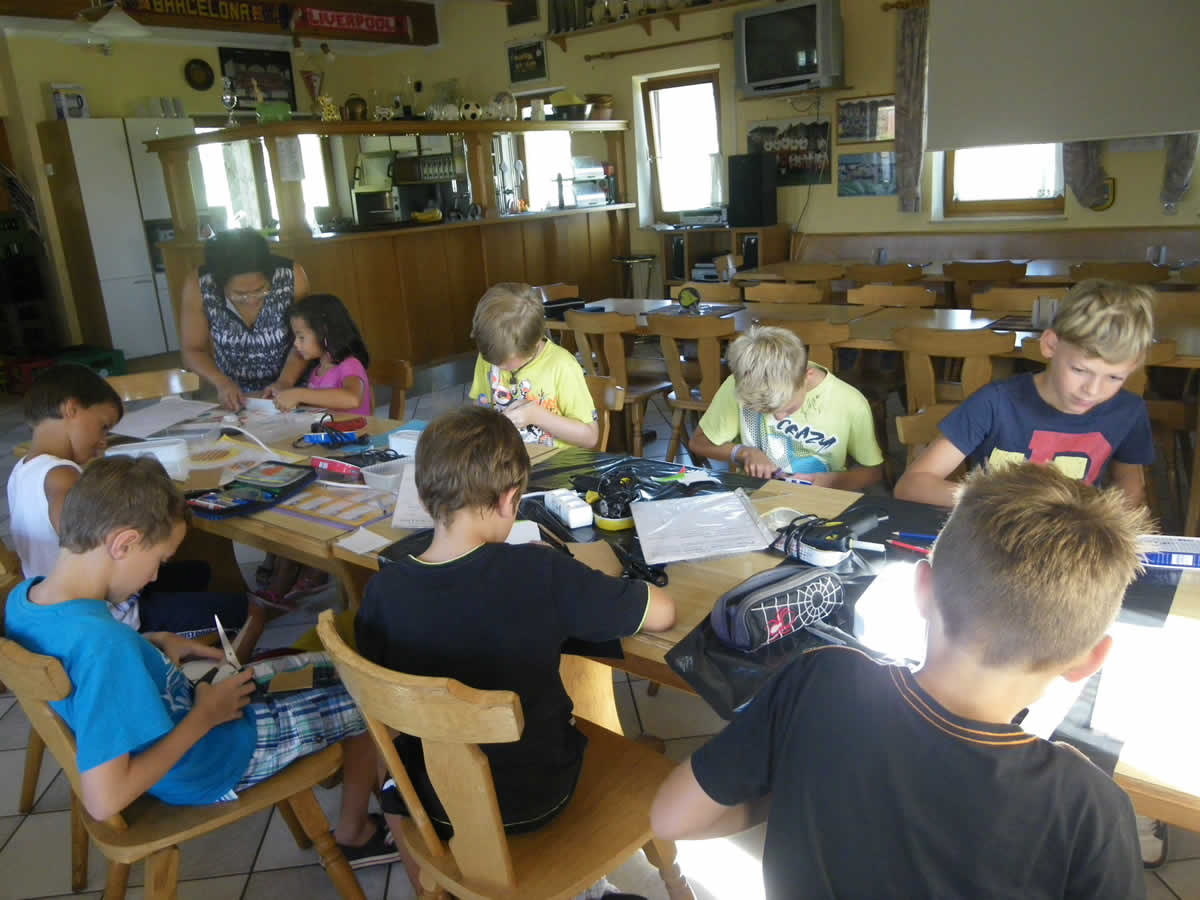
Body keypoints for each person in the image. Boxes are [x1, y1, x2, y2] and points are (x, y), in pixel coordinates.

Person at [650, 463, 1147, 899]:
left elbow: (672, 818)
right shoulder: (1089, 807)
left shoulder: (819, 680)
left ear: (921, 588)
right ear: (1090, 660)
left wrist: (797, 783)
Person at [4, 456, 397, 867]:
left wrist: (151, 643)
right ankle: (355, 831)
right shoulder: (104, 646)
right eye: (159, 561)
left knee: (333, 670)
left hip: (198, 726)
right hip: (213, 758)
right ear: (123, 544)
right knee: (375, 695)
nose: (154, 577)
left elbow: (82, 661)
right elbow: (105, 800)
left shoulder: (27, 599)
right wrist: (204, 717)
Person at [356, 407, 674, 891]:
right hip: (538, 797)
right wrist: (566, 571)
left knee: (403, 771)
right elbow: (662, 613)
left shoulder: (382, 591)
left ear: (422, 496)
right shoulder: (538, 572)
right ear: (510, 500)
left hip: (434, 802)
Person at [6, 364, 264, 652]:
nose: (103, 441)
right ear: (71, 409)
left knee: (199, 571)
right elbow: (81, 533)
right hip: (112, 617)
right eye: (103, 427)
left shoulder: (22, 469)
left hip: (68, 604)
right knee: (251, 612)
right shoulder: (62, 474)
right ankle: (218, 670)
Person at [895, 279, 1154, 508]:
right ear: (1050, 345)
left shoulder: (1128, 411)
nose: (1092, 390)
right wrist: (1000, 501)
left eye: (1114, 378)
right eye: (1079, 370)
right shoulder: (995, 403)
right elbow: (913, 485)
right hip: (995, 526)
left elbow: (1129, 483)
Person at [689, 326, 884, 489]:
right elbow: (699, 442)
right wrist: (745, 453)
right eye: (763, 411)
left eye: (789, 408)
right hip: (754, 495)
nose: (779, 418)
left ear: (806, 376)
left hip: (822, 498)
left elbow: (874, 472)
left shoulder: (849, 402)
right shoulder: (740, 383)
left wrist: (832, 482)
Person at [180, 228, 311, 411]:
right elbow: (193, 350)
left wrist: (285, 381)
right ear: (220, 283)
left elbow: (308, 337)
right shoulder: (200, 284)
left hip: (293, 388)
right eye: (239, 294)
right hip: (237, 396)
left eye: (260, 290)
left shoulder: (291, 275)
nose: (251, 300)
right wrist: (222, 383)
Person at [469, 282, 599, 449]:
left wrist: (538, 417)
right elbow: (480, 409)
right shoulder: (490, 357)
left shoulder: (562, 366)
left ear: (535, 343)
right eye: (493, 361)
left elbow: (590, 437)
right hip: (507, 458)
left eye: (506, 362)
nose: (497, 366)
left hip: (556, 462)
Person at [271, 294, 373, 416]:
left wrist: (299, 394)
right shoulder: (317, 370)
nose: (295, 343)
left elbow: (352, 399)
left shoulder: (350, 364)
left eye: (301, 337)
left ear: (325, 331)